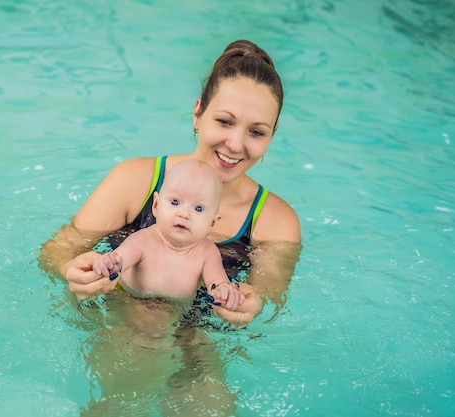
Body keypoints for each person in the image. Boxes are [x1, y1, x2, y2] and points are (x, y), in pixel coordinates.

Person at [40, 38, 302, 416]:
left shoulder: (275, 219)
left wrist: (251, 303)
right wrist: (72, 269)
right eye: (224, 121)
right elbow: (57, 250)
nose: (235, 143)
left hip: (200, 338)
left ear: (271, 136)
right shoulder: (137, 180)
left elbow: (270, 296)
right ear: (198, 114)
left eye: (256, 132)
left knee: (213, 406)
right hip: (125, 319)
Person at [91, 159, 245, 310]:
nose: (184, 214)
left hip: (177, 311)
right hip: (127, 301)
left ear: (212, 223)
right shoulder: (142, 240)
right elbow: (119, 260)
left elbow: (217, 282)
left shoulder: (207, 252)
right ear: (156, 205)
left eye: (198, 209)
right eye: (175, 202)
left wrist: (224, 291)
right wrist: (108, 263)